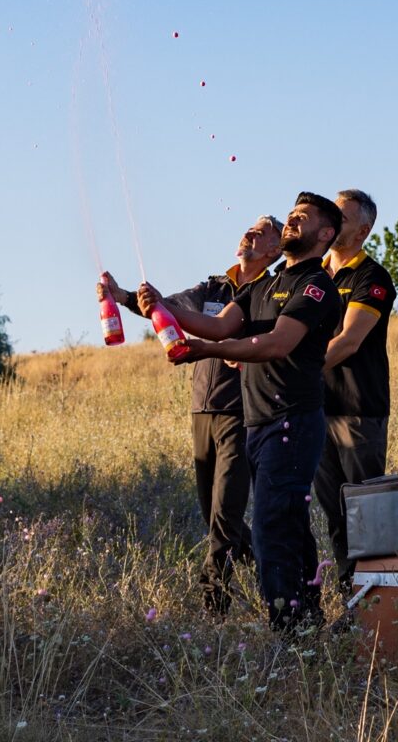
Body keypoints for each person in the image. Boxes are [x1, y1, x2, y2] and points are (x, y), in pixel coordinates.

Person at [141, 192, 342, 630]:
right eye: (290, 216)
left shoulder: (316, 286)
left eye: (301, 219)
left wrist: (205, 351)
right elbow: (217, 324)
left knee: (272, 527)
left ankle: (288, 629)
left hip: (292, 420)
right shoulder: (259, 287)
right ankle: (308, 617)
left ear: (325, 234)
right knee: (289, 521)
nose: (291, 222)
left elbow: (277, 343)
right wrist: (161, 307)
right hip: (258, 422)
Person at [98, 215, 283, 613]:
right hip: (202, 410)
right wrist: (126, 296)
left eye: (261, 232)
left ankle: (213, 603)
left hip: (242, 412)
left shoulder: (270, 291)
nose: (249, 233)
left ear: (275, 250)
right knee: (211, 513)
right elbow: (169, 309)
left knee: (225, 513)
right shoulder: (213, 285)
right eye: (248, 228)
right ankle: (269, 567)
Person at [314, 189, 397, 589]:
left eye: (340, 218)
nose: (330, 223)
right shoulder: (310, 275)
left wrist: (297, 371)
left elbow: (349, 341)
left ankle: (375, 601)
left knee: (363, 512)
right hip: (315, 409)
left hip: (357, 410)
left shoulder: (372, 277)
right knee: (333, 513)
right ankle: (351, 595)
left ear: (363, 230)